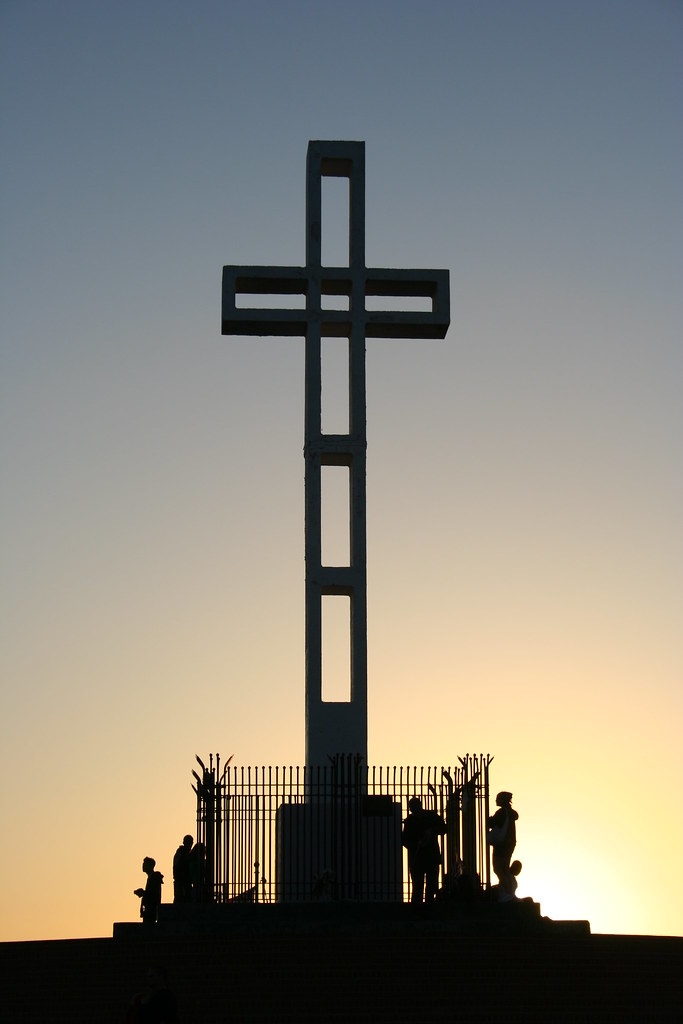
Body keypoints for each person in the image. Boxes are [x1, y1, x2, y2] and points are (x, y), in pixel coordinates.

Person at [401, 796, 447, 903]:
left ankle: (422, 911)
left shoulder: (425, 817)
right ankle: (423, 911)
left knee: (425, 887)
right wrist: (417, 844)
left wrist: (431, 831)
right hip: (423, 857)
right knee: (421, 887)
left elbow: (444, 828)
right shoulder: (424, 817)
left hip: (424, 857)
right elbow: (405, 840)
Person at [487, 791, 519, 900]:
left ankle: (506, 892)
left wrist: (489, 820)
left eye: (498, 798)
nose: (496, 800)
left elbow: (492, 823)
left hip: (501, 845)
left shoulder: (501, 813)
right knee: (505, 868)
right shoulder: (510, 813)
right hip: (509, 844)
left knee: (498, 869)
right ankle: (508, 891)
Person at [134, 857, 164, 925]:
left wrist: (143, 893)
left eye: (145, 864)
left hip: (151, 910)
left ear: (150, 866)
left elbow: (153, 895)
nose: (143, 866)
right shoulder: (152, 877)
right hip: (149, 909)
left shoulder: (154, 878)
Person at [172, 834, 193, 903]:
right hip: (182, 881)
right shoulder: (183, 853)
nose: (190, 845)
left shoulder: (180, 853)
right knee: (182, 899)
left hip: (181, 880)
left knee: (180, 900)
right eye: (189, 842)